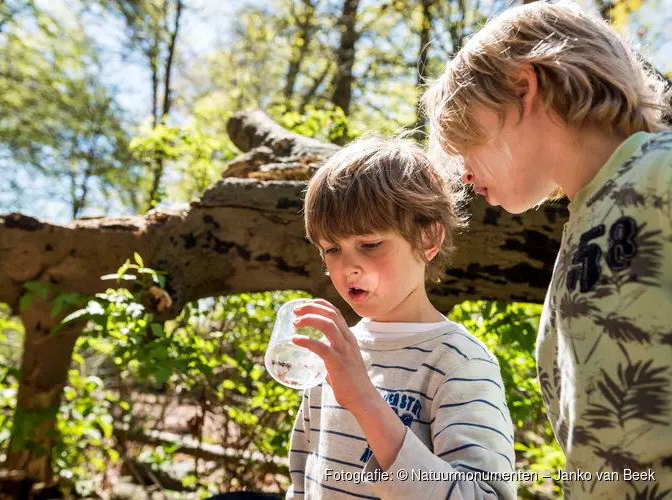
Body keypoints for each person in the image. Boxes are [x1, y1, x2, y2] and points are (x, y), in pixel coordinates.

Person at [422, 1, 672, 498]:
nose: (464, 174)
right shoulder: (582, 223)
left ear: (523, 87)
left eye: (464, 136)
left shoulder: (661, 170)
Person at [285, 136, 517, 499]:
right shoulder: (336, 354)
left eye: (370, 244)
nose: (349, 267)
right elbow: (304, 480)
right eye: (332, 249)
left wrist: (365, 402)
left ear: (427, 239)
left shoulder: (459, 362)